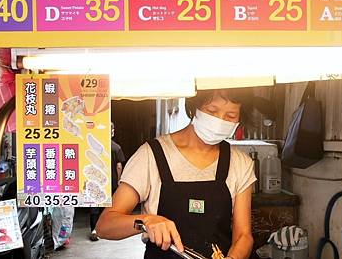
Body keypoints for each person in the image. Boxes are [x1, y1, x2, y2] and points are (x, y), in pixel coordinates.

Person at [96, 88, 256, 259]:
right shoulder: (151, 155)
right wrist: (147, 221)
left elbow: (243, 236)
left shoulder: (240, 163)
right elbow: (105, 225)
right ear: (194, 107)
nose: (219, 121)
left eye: (231, 116)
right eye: (212, 111)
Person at [90, 122, 126, 241]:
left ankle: (94, 230)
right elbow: (119, 166)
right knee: (109, 206)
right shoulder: (116, 147)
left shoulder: (94, 146)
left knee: (95, 205)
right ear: (112, 132)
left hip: (96, 180)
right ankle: (107, 229)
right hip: (111, 181)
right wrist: (119, 180)